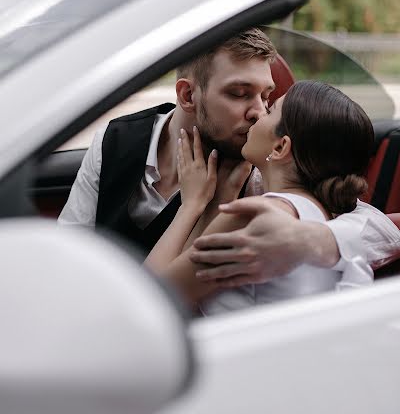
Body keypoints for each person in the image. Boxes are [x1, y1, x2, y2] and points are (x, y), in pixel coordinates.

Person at [58, 28, 400, 279]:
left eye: (267, 97)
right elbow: (64, 256)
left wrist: (314, 239)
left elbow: (379, 228)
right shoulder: (114, 139)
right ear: (188, 95)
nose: (258, 113)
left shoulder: (257, 171)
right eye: (239, 93)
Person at [144, 81, 377, 311]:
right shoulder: (322, 213)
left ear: (279, 148)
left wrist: (191, 205)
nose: (258, 114)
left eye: (271, 109)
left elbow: (149, 297)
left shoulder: (254, 217)